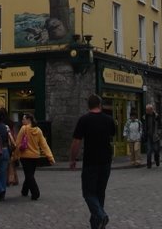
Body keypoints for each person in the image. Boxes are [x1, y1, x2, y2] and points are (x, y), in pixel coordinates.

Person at [70, 94, 115, 229]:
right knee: (100, 192)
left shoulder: (84, 120)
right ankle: (96, 225)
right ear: (100, 105)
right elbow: (112, 137)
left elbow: (76, 142)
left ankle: (100, 216)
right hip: (106, 160)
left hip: (91, 161)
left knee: (88, 193)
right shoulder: (109, 120)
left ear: (88, 105)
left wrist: (73, 159)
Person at [16, 113, 55, 200]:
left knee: (29, 175)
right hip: (35, 156)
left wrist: (14, 156)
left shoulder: (24, 128)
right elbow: (44, 145)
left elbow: (18, 143)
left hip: (25, 156)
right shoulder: (38, 130)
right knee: (30, 174)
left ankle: (35, 193)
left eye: (23, 119)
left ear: (28, 120)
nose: (22, 121)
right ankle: (24, 190)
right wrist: (50, 157)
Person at [142, 104, 162, 168]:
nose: (146, 111)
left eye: (148, 110)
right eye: (146, 110)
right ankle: (149, 164)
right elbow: (143, 126)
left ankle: (157, 159)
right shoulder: (145, 117)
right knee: (149, 150)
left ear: (151, 109)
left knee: (156, 150)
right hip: (148, 136)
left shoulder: (156, 116)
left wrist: (158, 133)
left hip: (155, 136)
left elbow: (160, 125)